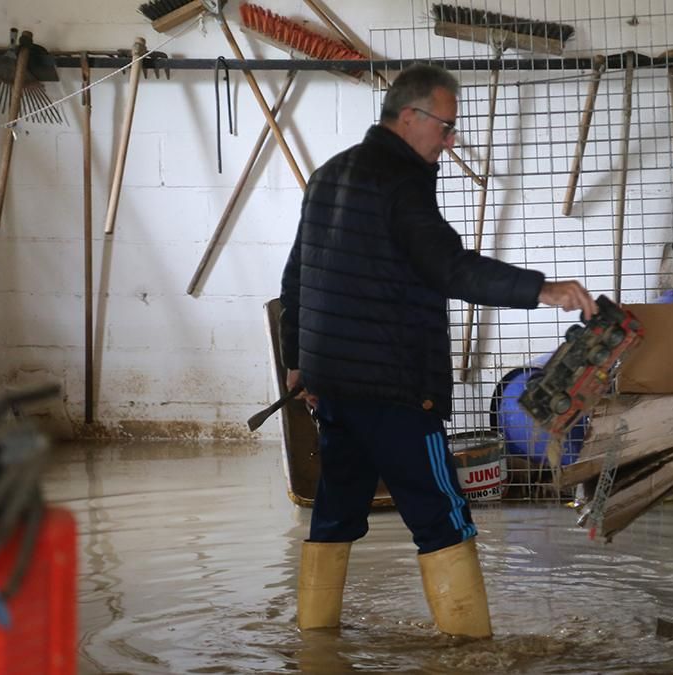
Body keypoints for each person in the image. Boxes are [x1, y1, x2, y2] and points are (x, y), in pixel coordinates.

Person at [278, 63, 597, 638]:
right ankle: (471, 649)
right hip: (394, 386)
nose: (450, 142)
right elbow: (449, 267)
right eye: (445, 128)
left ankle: (315, 641)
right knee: (443, 515)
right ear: (409, 116)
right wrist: (542, 290)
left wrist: (298, 363)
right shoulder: (400, 182)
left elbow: (296, 276)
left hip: (333, 384)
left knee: (334, 511)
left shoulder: (329, 174)